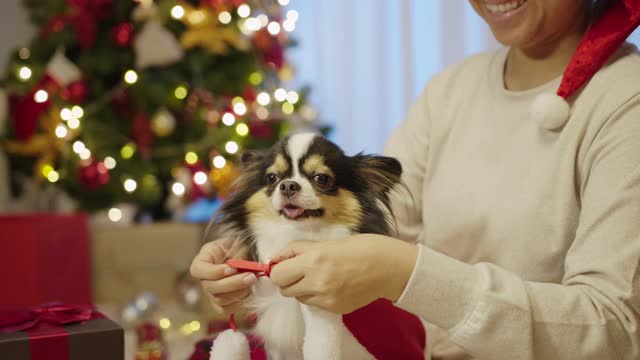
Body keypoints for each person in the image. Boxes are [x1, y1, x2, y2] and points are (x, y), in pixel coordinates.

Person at [190, 0, 640, 358]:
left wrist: (406, 272)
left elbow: (613, 330)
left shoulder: (625, 100)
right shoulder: (450, 90)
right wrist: (249, 260)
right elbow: (365, 223)